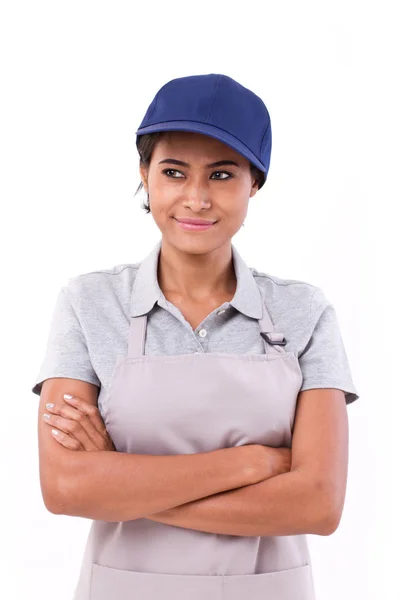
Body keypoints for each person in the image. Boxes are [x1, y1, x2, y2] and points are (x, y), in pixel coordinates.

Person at [32, 73, 359, 600]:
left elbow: (319, 505)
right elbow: (65, 488)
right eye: (174, 171)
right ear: (145, 174)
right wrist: (248, 464)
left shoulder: (303, 313)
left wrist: (120, 486)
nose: (196, 198)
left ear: (255, 183)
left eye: (222, 175)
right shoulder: (89, 304)